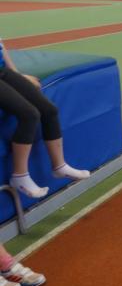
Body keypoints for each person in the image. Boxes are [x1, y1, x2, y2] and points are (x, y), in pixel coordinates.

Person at [0, 38, 89, 198]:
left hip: (2, 71)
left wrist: (17, 75)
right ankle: (19, 175)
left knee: (49, 110)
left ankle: (59, 166)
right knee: (29, 115)